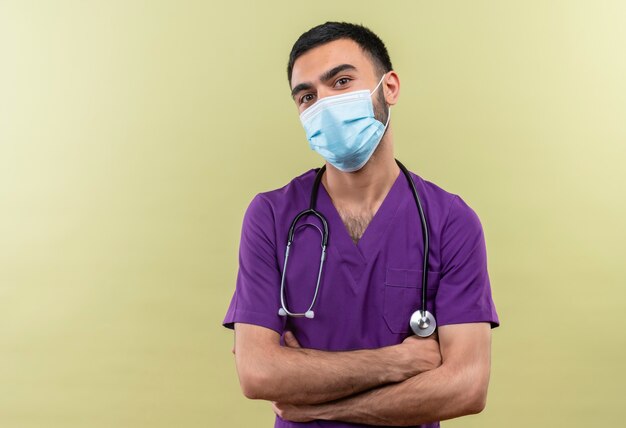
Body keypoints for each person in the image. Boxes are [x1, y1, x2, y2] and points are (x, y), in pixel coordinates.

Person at [222, 21, 500, 428]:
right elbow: (258, 373)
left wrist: (319, 405)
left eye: (342, 81)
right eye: (307, 96)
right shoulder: (271, 216)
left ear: (389, 88)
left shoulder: (451, 222)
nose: (325, 104)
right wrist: (397, 361)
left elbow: (466, 387)